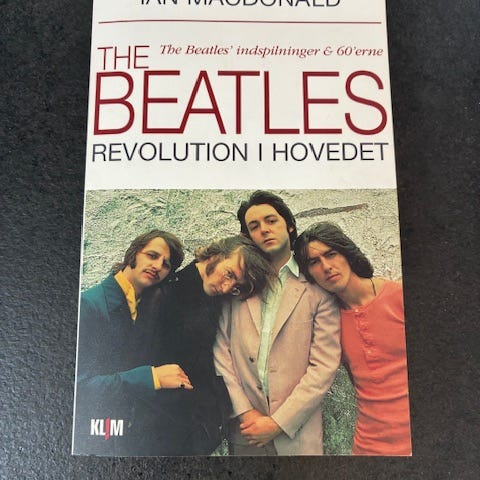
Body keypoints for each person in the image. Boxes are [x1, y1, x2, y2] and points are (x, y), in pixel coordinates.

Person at [214, 191, 341, 455]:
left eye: (271, 221)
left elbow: (323, 366)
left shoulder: (317, 289)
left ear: (289, 225)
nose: (264, 230)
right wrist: (245, 412)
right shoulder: (238, 285)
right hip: (247, 433)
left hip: (297, 434)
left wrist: (278, 423)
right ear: (248, 237)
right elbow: (221, 351)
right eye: (254, 226)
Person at [148, 235, 275, 455]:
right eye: (229, 274)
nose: (227, 287)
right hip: (163, 427)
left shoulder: (216, 299)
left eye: (236, 286)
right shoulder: (166, 294)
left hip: (195, 429)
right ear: (215, 255)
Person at [294, 221, 412, 456]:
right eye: (314, 262)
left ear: (347, 253)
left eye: (331, 254)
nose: (326, 267)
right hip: (370, 446)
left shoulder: (399, 296)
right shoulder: (328, 323)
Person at [73, 229, 187, 455]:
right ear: (133, 254)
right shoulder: (89, 305)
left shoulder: (147, 305)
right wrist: (152, 377)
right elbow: (79, 387)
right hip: (99, 438)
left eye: (166, 264)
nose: (157, 266)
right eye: (152, 255)